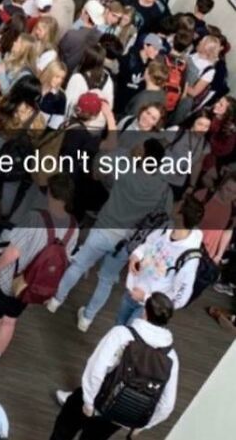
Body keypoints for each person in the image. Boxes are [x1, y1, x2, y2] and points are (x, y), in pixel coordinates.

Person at [47, 137, 174, 332]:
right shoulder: (164, 189)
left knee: (79, 264)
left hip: (105, 227)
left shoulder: (125, 171)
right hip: (128, 241)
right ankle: (87, 319)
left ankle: (56, 300)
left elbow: (100, 173)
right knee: (106, 280)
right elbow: (164, 215)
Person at [0, 174, 78, 369]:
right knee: (9, 322)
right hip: (31, 285)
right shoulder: (73, 227)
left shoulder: (35, 217)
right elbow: (66, 260)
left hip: (8, 279)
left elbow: (12, 253)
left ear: (50, 193)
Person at [51, 293, 179, 439]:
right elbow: (167, 404)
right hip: (121, 412)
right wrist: (143, 425)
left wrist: (88, 402)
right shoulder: (171, 355)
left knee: (64, 430)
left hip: (98, 399)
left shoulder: (122, 334)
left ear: (145, 312)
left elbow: (96, 369)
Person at [116, 196, 204, 326]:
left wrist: (146, 298)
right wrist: (136, 256)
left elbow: (182, 296)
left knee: (130, 337)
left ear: (181, 216)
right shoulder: (166, 227)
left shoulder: (189, 256)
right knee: (118, 327)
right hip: (133, 289)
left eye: (178, 204)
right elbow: (148, 244)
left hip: (149, 308)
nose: (173, 204)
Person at [58, 0, 106, 73]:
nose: (82, 10)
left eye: (84, 9)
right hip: (78, 72)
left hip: (63, 69)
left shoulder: (72, 34)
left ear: (86, 14)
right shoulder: (99, 36)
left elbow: (60, 51)